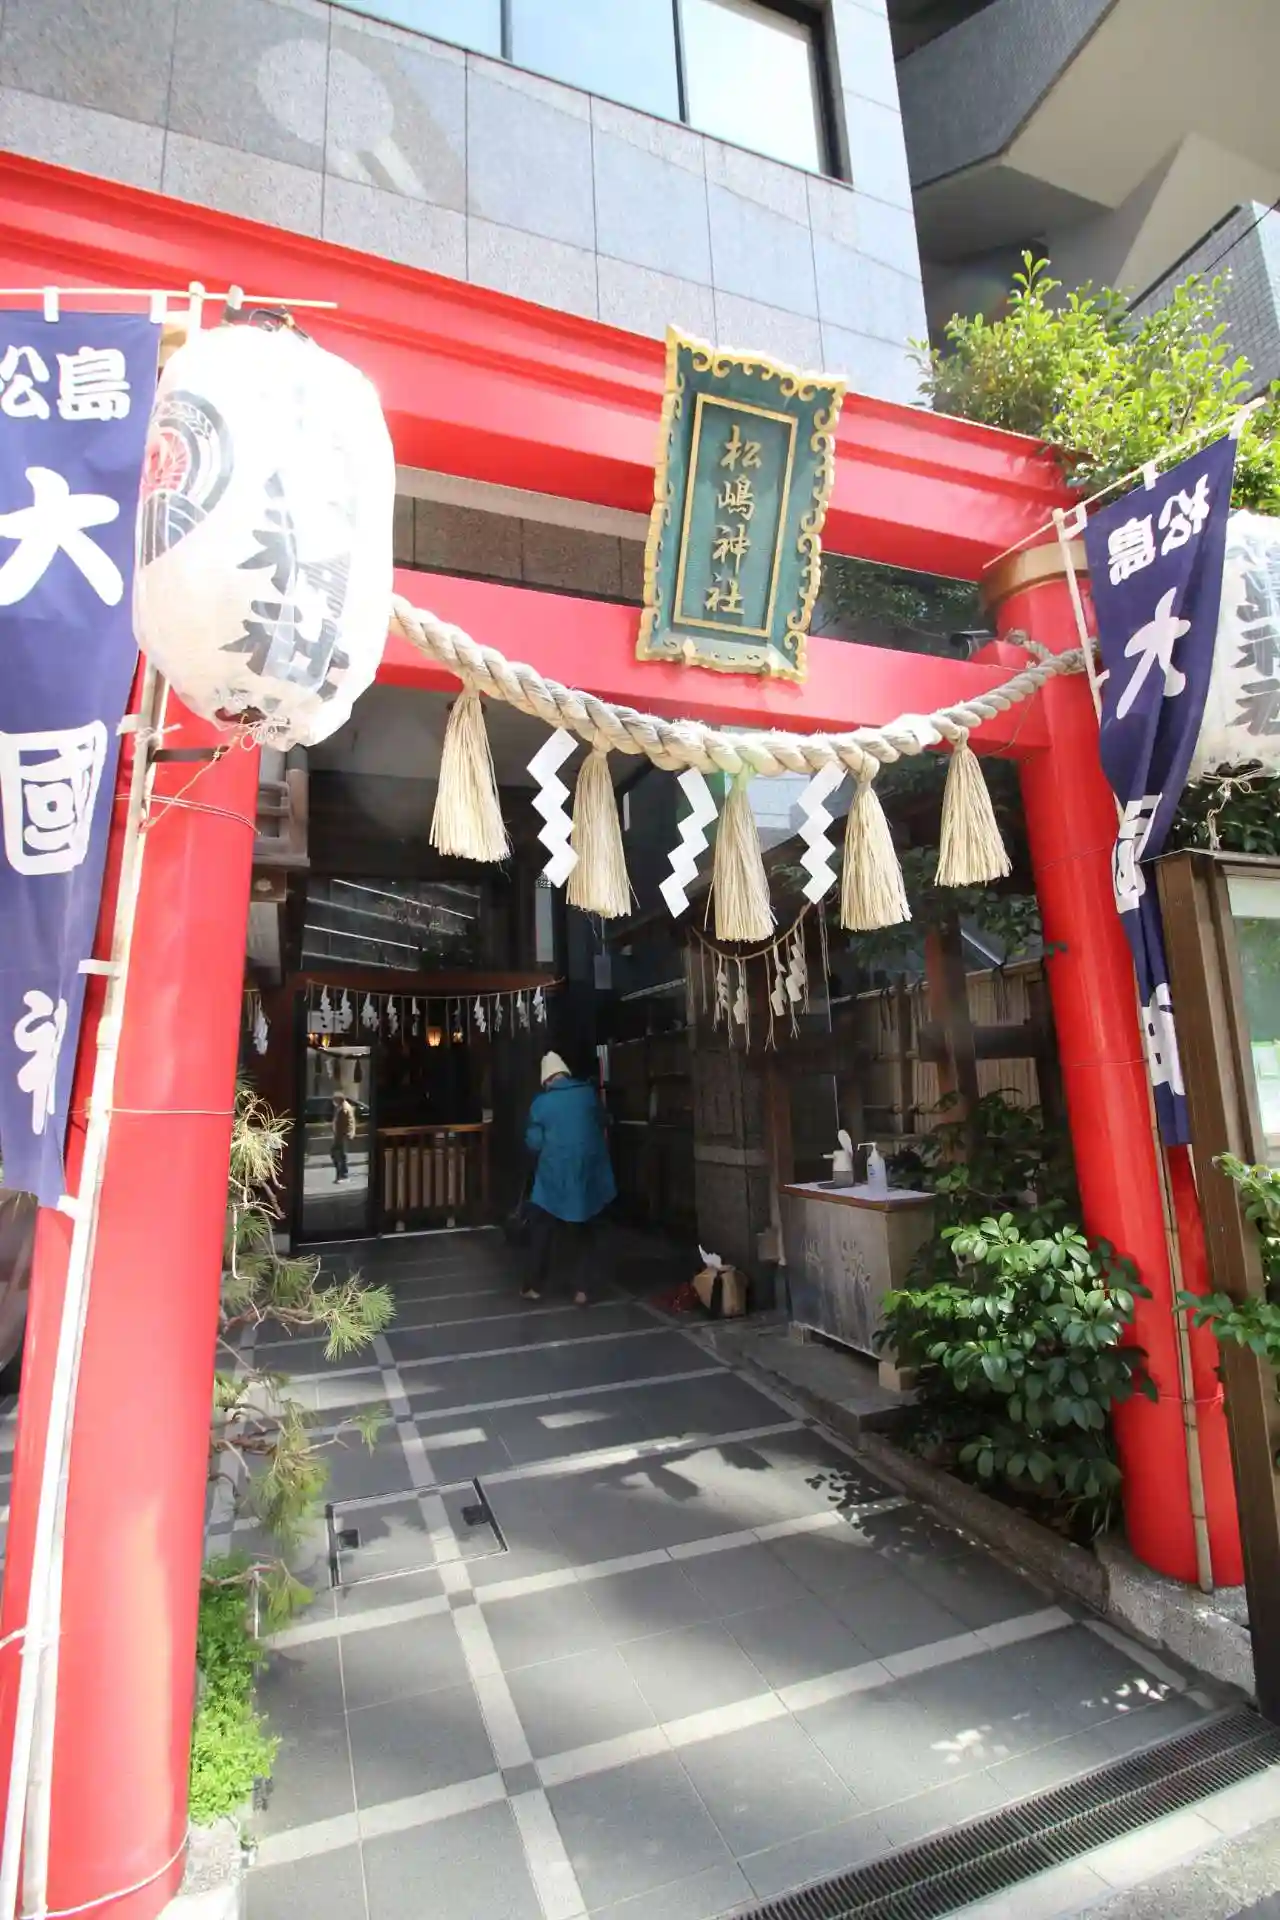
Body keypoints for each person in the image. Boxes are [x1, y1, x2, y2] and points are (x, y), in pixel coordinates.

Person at [522, 1051, 615, 1306]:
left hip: (554, 1176)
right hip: (587, 1172)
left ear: (546, 1079)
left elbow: (534, 1143)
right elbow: (604, 1120)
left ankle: (534, 1286)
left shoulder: (541, 1104)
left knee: (542, 1227)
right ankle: (582, 1290)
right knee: (584, 1227)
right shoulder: (587, 1095)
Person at [330, 1092, 355, 1183]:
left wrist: (347, 1134)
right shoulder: (341, 1107)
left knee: (339, 1155)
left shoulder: (344, 1109)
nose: (333, 1102)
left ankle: (343, 1175)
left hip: (342, 1135)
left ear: (339, 1099)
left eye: (335, 1100)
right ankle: (341, 1175)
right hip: (341, 1135)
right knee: (339, 1155)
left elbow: (346, 1123)